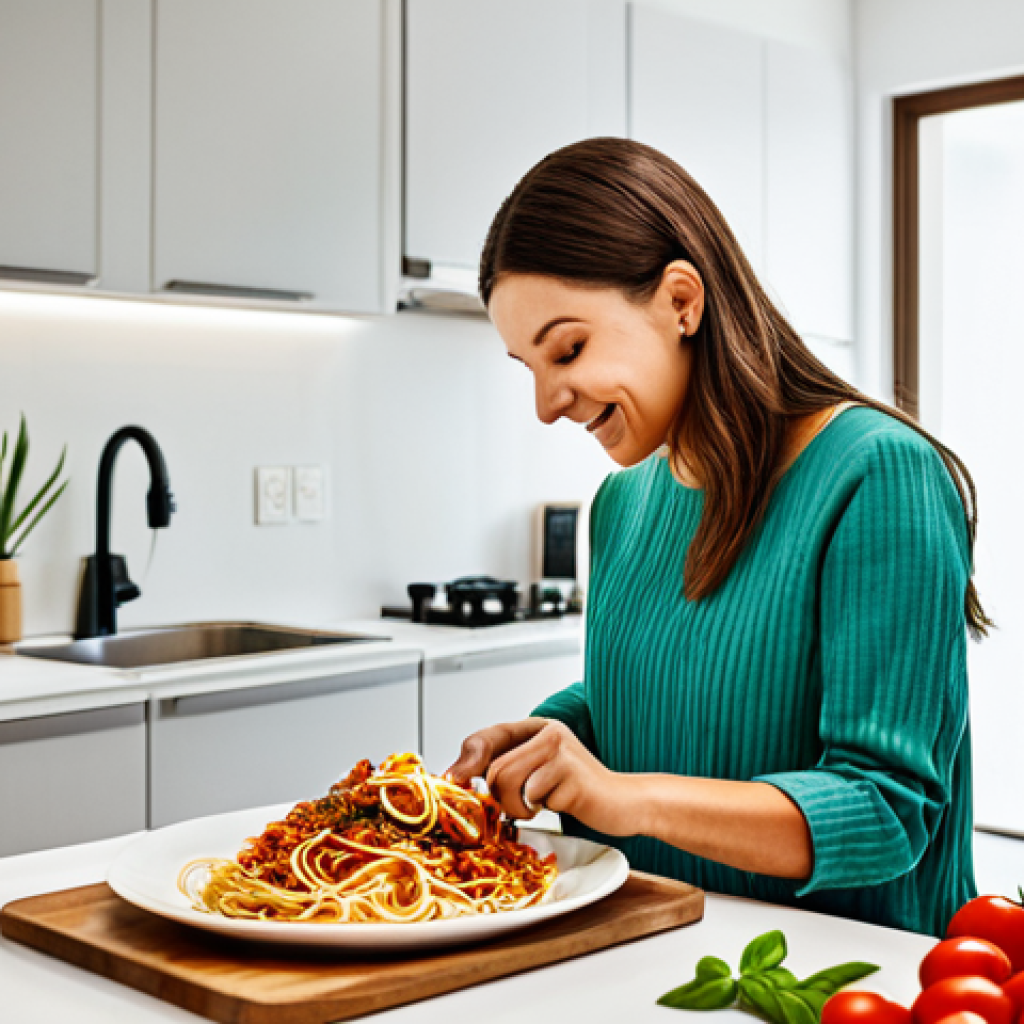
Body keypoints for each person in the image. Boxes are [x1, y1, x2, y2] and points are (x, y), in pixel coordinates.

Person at [447, 138, 992, 937]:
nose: (546, 403)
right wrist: (558, 736)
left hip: (843, 982)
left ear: (680, 301)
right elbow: (664, 705)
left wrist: (622, 797)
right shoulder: (623, 504)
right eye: (527, 366)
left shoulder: (879, 475)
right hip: (661, 954)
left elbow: (884, 812)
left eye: (568, 349)